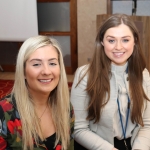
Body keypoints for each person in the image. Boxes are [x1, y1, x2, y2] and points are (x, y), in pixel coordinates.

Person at [71, 13, 150, 150]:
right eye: (111, 40)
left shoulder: (143, 74)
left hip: (135, 144)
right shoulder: (84, 75)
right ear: (102, 41)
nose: (118, 47)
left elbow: (147, 124)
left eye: (125, 40)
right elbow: (78, 129)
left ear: (135, 41)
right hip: (97, 146)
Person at [0, 35, 74, 150]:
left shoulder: (65, 107)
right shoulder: (4, 112)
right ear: (23, 72)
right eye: (36, 64)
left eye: (52, 63)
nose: (46, 71)